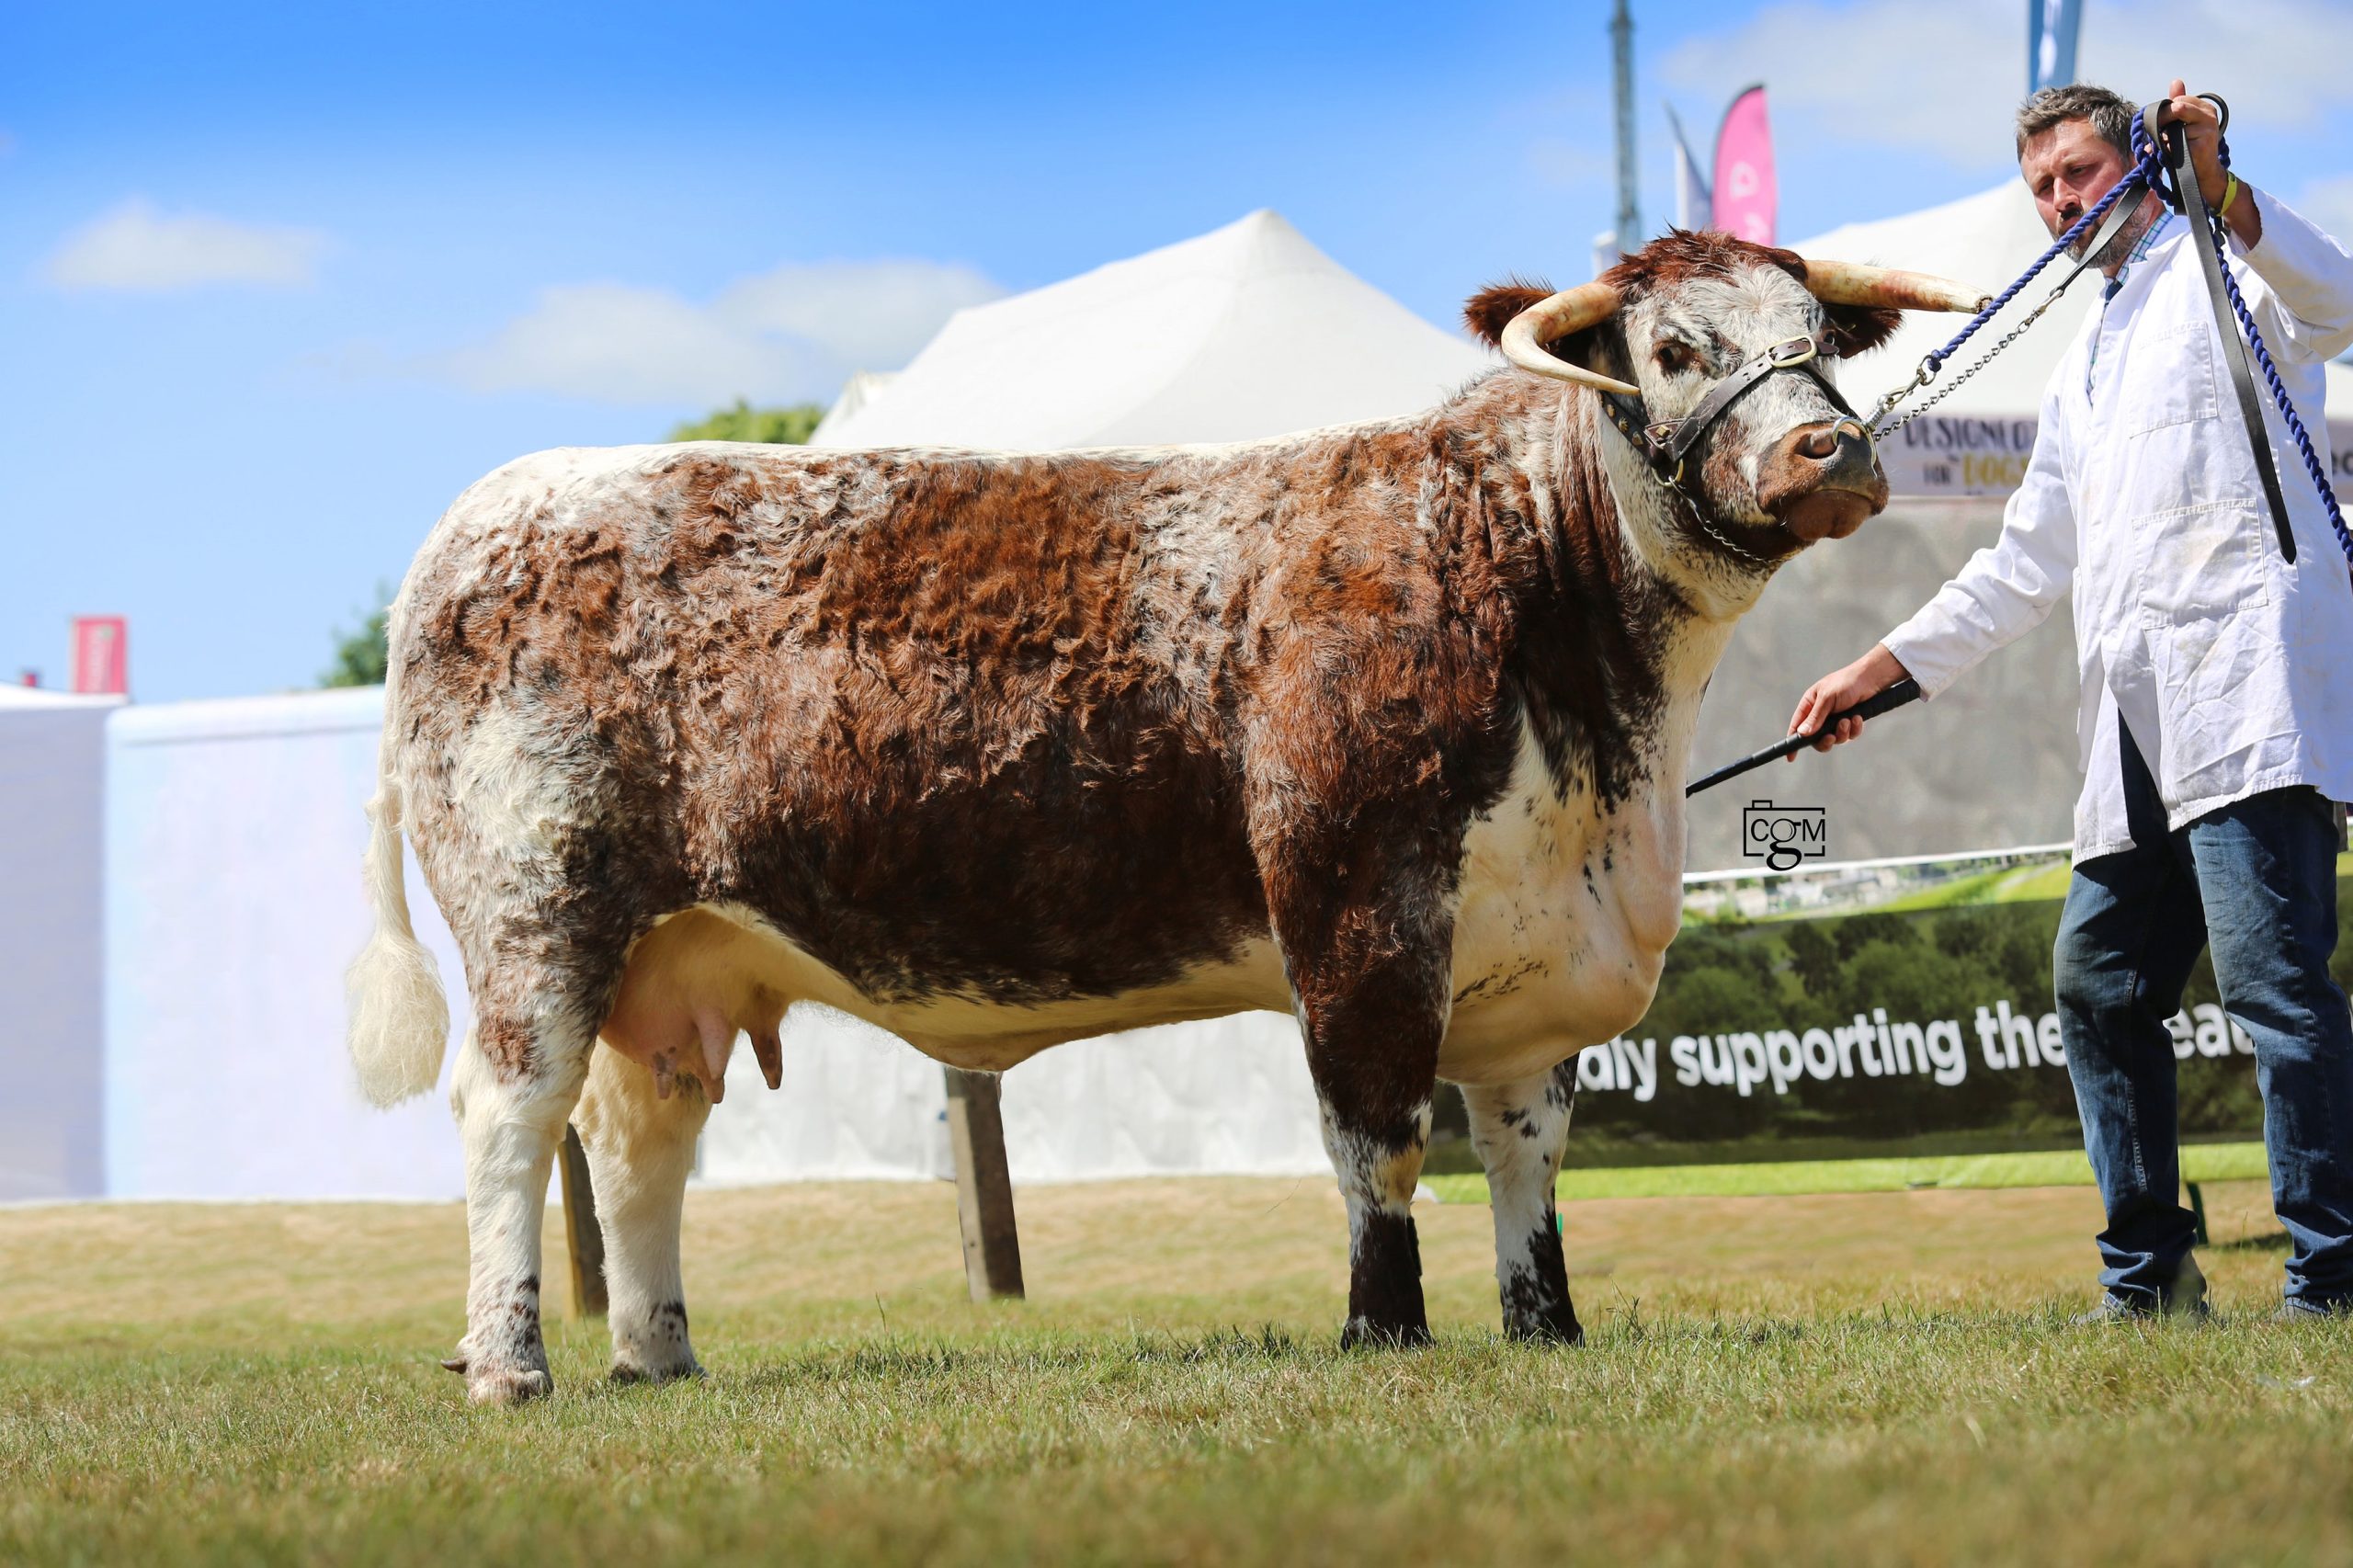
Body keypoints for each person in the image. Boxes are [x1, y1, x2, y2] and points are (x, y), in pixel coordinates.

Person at [1791, 80, 2353, 1321]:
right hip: (2139, 725)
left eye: (2082, 173)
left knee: (2276, 991)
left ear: (2144, 161)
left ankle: (2335, 1278)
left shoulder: (2235, 271)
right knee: (2099, 987)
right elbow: (2023, 562)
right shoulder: (2083, 364)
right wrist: (1883, 669)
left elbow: (2344, 300)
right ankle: (2148, 1279)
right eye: (2043, 186)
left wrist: (2228, 193)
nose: (2060, 202)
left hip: (2249, 690)